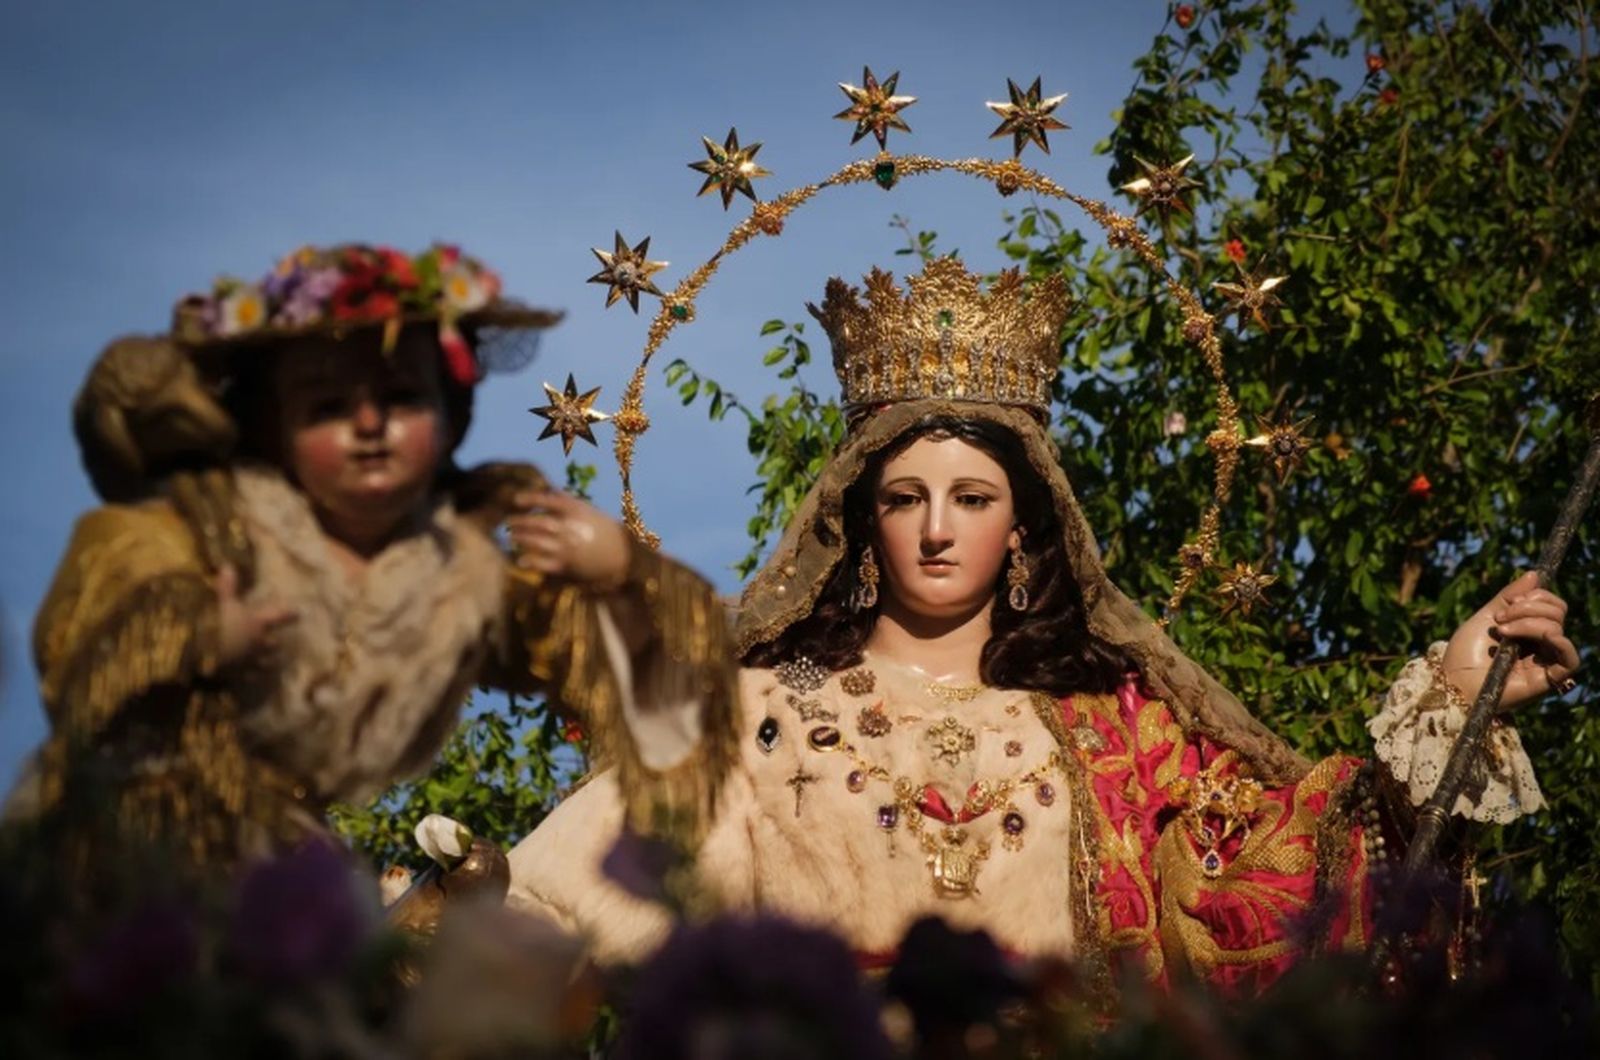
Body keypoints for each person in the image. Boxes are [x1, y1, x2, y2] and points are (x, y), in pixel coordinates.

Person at [505, 258, 1577, 995]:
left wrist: (1454, 697)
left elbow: (1283, 886)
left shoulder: (1119, 731)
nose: (936, 529)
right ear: (861, 523)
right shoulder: (752, 716)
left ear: (1023, 526)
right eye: (904, 498)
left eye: (971, 498)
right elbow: (558, 905)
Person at [15, 243, 735, 884]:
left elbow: (661, 702)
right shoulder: (196, 534)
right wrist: (191, 634)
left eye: (401, 398)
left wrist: (623, 576)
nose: (368, 425)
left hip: (286, 890)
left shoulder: (460, 568)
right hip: (116, 867)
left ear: (448, 415)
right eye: (328, 405)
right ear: (273, 426)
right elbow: (83, 669)